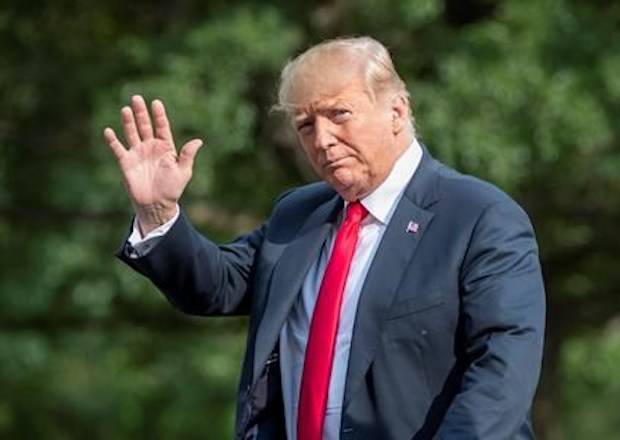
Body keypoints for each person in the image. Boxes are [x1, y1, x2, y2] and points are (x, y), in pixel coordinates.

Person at [104, 36, 545, 440]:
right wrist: (158, 211)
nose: (323, 140)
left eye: (339, 114)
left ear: (397, 111)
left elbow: (501, 376)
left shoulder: (478, 216)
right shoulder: (299, 213)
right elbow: (214, 286)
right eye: (306, 125)